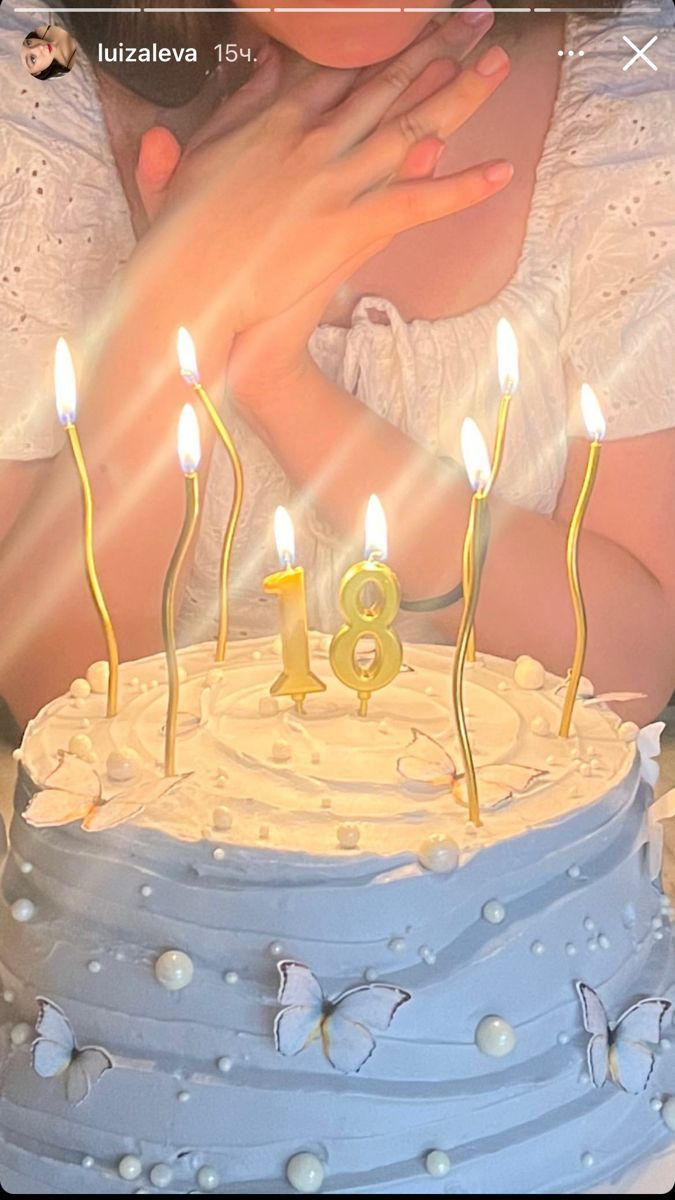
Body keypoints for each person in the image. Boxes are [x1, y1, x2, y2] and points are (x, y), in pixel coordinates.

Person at [0, 0, 674, 730]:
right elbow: (58, 691)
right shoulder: (41, 75)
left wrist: (279, 385)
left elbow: (625, 675)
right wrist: (175, 300)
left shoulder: (626, 95)